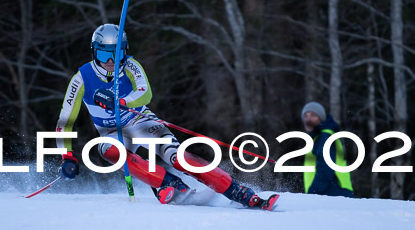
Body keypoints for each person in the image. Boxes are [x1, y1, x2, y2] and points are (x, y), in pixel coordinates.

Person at [55, 23, 277, 210]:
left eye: (116, 54)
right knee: (109, 151)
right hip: (111, 133)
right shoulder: (81, 78)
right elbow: (65, 121)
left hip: (141, 121)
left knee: (177, 157)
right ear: (94, 52)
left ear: (125, 51)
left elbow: (146, 92)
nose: (110, 61)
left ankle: (240, 192)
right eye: (104, 54)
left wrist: (122, 102)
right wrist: (66, 155)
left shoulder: (131, 66)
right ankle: (169, 184)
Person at [302, 101, 354, 197]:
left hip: (334, 193)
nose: (308, 120)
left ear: (321, 118)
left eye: (313, 115)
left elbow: (325, 169)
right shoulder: (318, 137)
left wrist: (312, 193)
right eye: (306, 116)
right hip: (330, 193)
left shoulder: (325, 137)